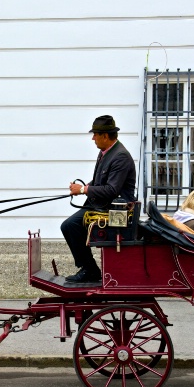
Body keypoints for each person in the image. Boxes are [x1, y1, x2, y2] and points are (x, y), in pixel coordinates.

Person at [62, 115, 136, 283]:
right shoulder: (106, 152)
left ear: (105, 136)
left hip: (113, 209)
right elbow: (98, 182)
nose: (93, 138)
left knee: (70, 225)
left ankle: (90, 270)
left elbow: (112, 190)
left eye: (95, 134)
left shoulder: (120, 156)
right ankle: (89, 268)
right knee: (70, 225)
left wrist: (82, 189)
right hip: (101, 204)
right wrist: (81, 189)